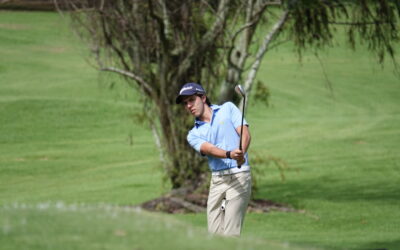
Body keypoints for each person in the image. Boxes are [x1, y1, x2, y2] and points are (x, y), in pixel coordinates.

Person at [176, 82, 252, 237]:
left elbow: (245, 134)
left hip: (239, 176)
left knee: (230, 234)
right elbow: (208, 149)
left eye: (191, 100)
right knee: (214, 236)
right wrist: (230, 154)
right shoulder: (193, 134)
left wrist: (241, 153)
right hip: (217, 181)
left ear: (203, 97)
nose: (189, 106)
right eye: (185, 103)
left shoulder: (228, 109)